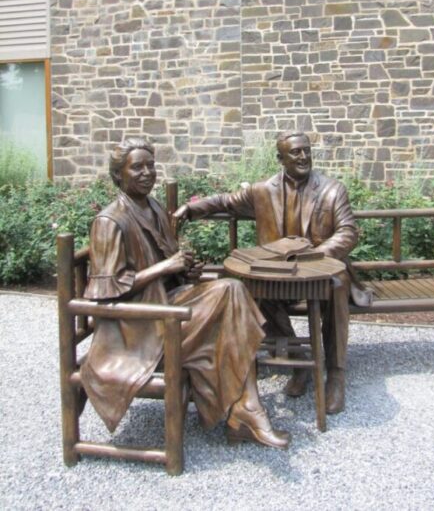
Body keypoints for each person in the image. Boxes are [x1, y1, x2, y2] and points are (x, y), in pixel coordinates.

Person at [80, 137, 289, 450]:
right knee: (231, 307)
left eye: (150, 165)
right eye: (137, 167)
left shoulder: (153, 208)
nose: (147, 172)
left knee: (233, 289)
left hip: (166, 302)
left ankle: (247, 408)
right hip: (136, 328)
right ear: (118, 175)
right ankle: (246, 411)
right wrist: (165, 268)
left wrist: (183, 271)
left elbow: (168, 266)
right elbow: (106, 291)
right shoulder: (110, 221)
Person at [175, 132, 370, 415]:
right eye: (295, 153)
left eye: (306, 151)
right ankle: (297, 361)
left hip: (320, 273)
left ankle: (336, 374)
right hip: (277, 274)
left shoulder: (332, 190)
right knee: (253, 289)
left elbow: (347, 232)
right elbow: (225, 201)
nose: (303, 157)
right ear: (280, 159)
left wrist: (315, 257)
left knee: (338, 284)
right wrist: (191, 209)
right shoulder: (263, 191)